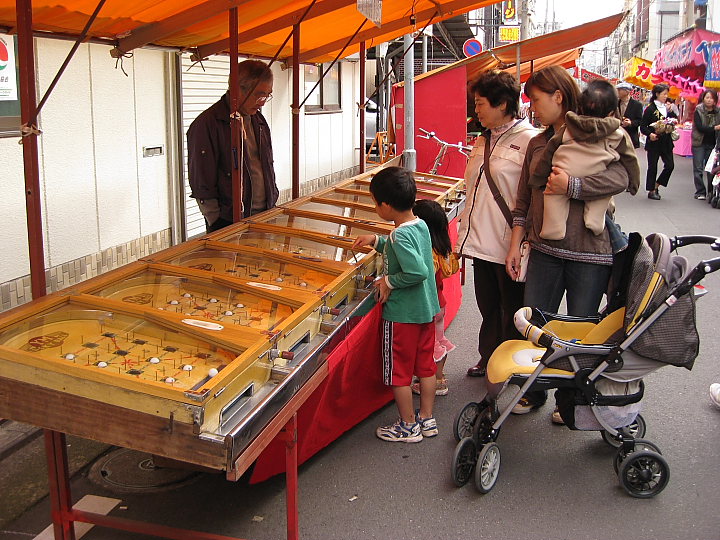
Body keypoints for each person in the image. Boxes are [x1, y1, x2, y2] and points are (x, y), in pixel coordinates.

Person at [505, 65, 633, 421]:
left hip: (590, 254)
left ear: (558, 97)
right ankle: (532, 391)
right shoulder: (538, 142)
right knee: (536, 326)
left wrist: (572, 187)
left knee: (582, 332)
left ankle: (572, 402)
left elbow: (621, 177)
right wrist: (516, 244)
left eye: (536, 99)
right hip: (544, 251)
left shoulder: (604, 135)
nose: (531, 107)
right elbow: (524, 200)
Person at [457, 70, 538, 378]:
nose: (475, 111)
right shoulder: (482, 140)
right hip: (481, 241)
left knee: (514, 310)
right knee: (489, 307)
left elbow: (529, 198)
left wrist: (517, 244)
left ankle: (515, 365)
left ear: (503, 104)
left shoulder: (530, 140)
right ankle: (489, 357)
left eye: (479, 104)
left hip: (509, 244)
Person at [352, 167, 440, 443]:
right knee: (426, 366)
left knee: (399, 374)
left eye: (375, 203)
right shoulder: (419, 224)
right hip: (425, 310)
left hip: (403, 315)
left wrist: (388, 282)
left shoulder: (398, 235)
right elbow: (408, 252)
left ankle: (407, 425)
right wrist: (376, 241)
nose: (376, 207)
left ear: (386, 206)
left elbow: (416, 271)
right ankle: (427, 418)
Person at [532, 79, 640, 241]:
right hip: (596, 171)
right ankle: (595, 221)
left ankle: (553, 228)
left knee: (553, 198)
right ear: (612, 112)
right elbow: (630, 159)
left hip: (563, 169)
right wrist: (634, 182)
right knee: (600, 198)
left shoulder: (568, 127)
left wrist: (538, 177)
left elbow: (549, 152)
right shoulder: (616, 133)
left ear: (580, 107)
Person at [187, 59, 279, 233]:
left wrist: (272, 199)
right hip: (228, 221)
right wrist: (216, 221)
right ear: (238, 89)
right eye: (259, 94)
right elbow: (201, 178)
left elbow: (266, 165)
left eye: (268, 95)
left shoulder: (258, 121)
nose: (263, 102)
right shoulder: (207, 124)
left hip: (265, 213)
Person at [411, 199, 458, 396]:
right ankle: (439, 377)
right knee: (439, 340)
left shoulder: (427, 251)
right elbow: (450, 271)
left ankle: (433, 380)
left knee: (429, 346)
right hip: (441, 304)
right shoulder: (442, 248)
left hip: (428, 305)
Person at [640, 83, 677, 200]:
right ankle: (651, 190)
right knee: (653, 166)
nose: (666, 96)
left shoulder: (667, 108)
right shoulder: (650, 109)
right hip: (654, 141)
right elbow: (643, 126)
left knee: (670, 165)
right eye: (663, 94)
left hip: (666, 141)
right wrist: (650, 134)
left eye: (667, 94)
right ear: (657, 94)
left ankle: (657, 184)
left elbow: (674, 120)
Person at [691, 89, 720, 200]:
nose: (708, 100)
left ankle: (711, 191)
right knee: (698, 168)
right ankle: (700, 191)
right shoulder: (698, 110)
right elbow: (700, 127)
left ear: (715, 100)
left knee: (711, 169)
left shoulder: (718, 111)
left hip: (712, 144)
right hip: (699, 142)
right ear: (703, 98)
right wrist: (715, 128)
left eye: (711, 98)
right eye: (707, 97)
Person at [616, 81, 643, 149]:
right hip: (617, 136)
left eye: (619, 90)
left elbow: (640, 120)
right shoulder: (616, 103)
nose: (617, 92)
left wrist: (630, 123)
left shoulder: (637, 105)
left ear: (627, 91)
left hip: (630, 136)